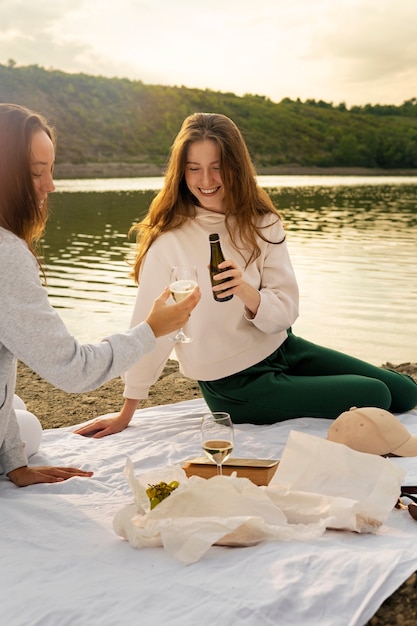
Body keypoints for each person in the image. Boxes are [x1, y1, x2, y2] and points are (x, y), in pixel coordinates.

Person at [75, 112, 417, 438]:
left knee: (405, 392)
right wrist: (127, 409)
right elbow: (152, 328)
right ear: (181, 173)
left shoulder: (263, 222)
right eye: (194, 169)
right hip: (232, 383)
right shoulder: (169, 240)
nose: (205, 181)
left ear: (236, 169)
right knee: (376, 395)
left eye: (216, 168)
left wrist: (246, 291)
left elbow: (286, 310)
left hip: (282, 349)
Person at [0, 103, 200, 487]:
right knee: (29, 426)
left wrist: (15, 463)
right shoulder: (6, 253)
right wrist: (151, 329)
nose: (50, 185)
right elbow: (75, 370)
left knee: (20, 412)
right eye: (36, 172)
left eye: (51, 169)